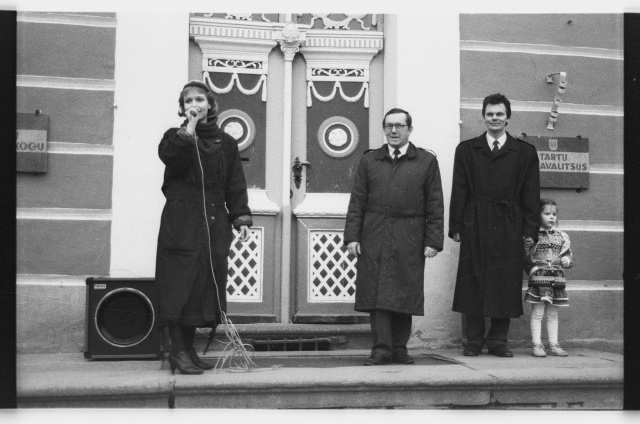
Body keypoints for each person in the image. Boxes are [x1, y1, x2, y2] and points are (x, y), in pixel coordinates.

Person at [156, 80, 252, 375]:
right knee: (180, 284)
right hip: (182, 220)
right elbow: (170, 156)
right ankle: (178, 351)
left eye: (200, 99)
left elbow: (234, 181)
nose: (194, 104)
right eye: (188, 101)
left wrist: (240, 216)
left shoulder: (227, 142)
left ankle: (188, 349)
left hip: (213, 221)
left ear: (211, 104)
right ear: (183, 108)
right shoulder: (175, 136)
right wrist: (189, 128)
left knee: (204, 285)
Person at [344, 108, 444, 366]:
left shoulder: (426, 161)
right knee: (377, 294)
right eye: (389, 126)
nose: (394, 131)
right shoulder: (370, 161)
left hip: (409, 234)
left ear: (410, 129)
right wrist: (353, 237)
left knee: (404, 290)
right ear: (384, 129)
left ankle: (399, 348)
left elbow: (435, 204)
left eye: (400, 126)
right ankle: (381, 350)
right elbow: (357, 202)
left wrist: (433, 241)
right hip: (375, 232)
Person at [449, 93, 540, 358]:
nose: (494, 118)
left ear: (508, 117)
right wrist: (456, 225)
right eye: (490, 114)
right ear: (483, 116)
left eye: (499, 114)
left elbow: (530, 195)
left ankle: (499, 340)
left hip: (509, 223)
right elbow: (460, 189)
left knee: (505, 281)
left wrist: (530, 231)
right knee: (473, 279)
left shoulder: (524, 152)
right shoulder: (467, 150)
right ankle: (474, 339)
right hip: (475, 222)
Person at [524, 199, 573, 357]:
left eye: (554, 214)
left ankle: (553, 344)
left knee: (553, 313)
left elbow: (567, 256)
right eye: (547, 214)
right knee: (537, 313)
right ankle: (537, 344)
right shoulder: (533, 236)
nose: (551, 217)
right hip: (540, 279)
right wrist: (532, 268)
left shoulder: (561, 237)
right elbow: (525, 255)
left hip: (557, 280)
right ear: (537, 216)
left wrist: (567, 261)